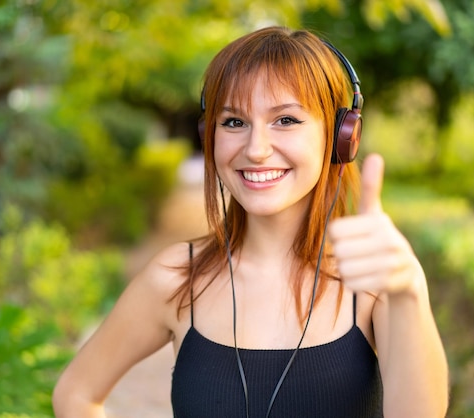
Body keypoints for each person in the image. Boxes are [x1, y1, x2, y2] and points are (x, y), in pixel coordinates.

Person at [53, 26, 449, 418]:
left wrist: (408, 290)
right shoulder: (176, 278)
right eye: (234, 122)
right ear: (209, 135)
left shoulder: (374, 282)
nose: (256, 149)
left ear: (341, 136)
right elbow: (76, 394)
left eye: (286, 120)